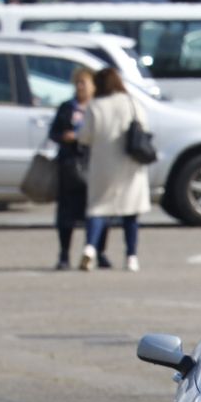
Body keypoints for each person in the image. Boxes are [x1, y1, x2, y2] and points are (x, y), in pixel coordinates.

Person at [77, 67, 152, 272]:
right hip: (130, 165)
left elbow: (85, 136)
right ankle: (131, 257)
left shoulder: (95, 106)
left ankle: (90, 248)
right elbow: (144, 127)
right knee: (131, 213)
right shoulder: (132, 102)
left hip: (103, 165)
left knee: (97, 208)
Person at [48, 67, 96, 270]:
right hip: (69, 165)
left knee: (95, 212)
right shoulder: (67, 107)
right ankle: (64, 254)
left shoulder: (97, 108)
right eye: (77, 83)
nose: (80, 87)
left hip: (92, 164)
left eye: (84, 83)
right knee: (66, 214)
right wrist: (64, 137)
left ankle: (96, 252)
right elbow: (53, 133)